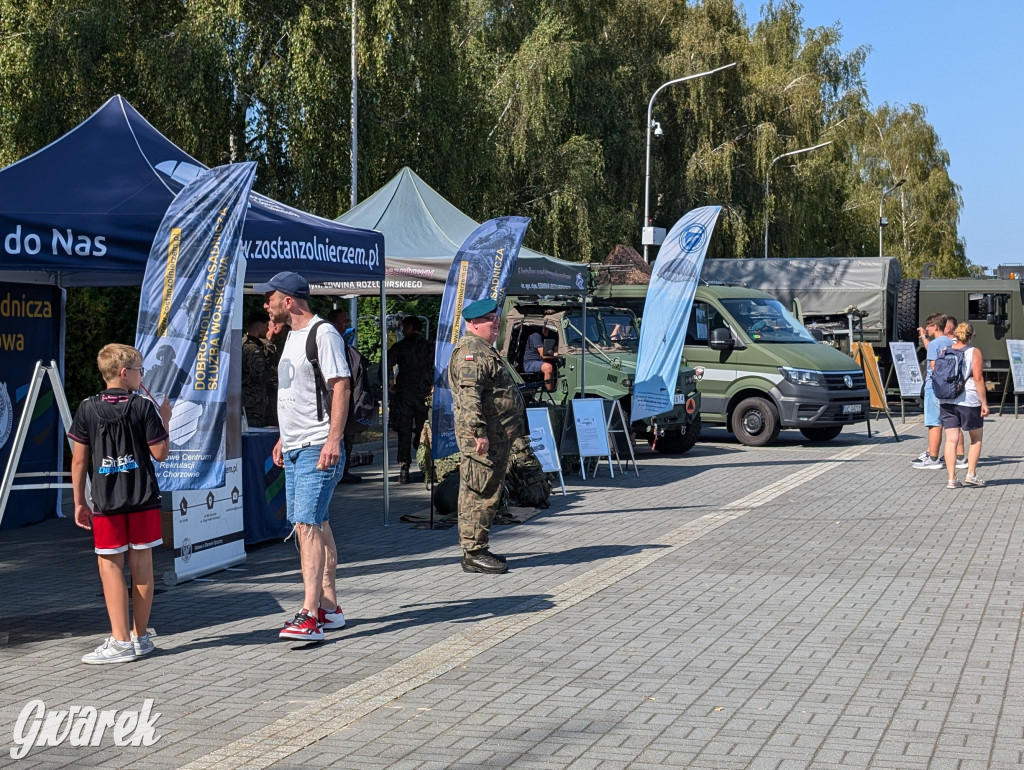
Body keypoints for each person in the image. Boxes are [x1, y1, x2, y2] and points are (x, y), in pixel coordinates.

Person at [257, 271, 351, 642]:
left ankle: (309, 614)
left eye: (271, 298)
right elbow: (295, 394)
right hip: (296, 445)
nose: (266, 304)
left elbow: (339, 385)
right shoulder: (293, 337)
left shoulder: (322, 333)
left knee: (307, 527)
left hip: (317, 445)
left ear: (290, 301)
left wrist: (333, 439)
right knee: (315, 524)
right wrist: (284, 436)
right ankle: (330, 607)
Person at [69, 344, 171, 664]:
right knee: (142, 565)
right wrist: (164, 419)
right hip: (142, 496)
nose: (143, 376)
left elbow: (78, 461)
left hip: (106, 499)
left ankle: (120, 640)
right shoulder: (143, 407)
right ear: (124, 373)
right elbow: (160, 454)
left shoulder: (87, 407)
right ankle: (138, 638)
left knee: (110, 565)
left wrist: (78, 503)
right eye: (140, 370)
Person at [448, 298, 525, 574]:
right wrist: (479, 432)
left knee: (486, 491)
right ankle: (473, 552)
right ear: (473, 323)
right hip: (483, 439)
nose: (496, 322)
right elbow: (470, 397)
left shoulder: (483, 349)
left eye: (496, 317)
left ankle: (478, 547)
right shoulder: (472, 351)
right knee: (478, 493)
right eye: (490, 318)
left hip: (495, 437)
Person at [912, 313, 966, 470]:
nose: (927, 328)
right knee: (953, 423)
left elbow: (934, 368)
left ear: (936, 327)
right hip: (951, 388)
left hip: (934, 387)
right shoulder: (952, 342)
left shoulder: (935, 344)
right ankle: (960, 458)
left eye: (928, 326)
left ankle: (933, 458)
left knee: (933, 423)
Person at [940, 323, 989, 488]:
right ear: (970, 336)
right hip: (968, 399)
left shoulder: (944, 351)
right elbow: (978, 378)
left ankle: (951, 479)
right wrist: (984, 402)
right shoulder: (973, 352)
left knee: (950, 440)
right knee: (976, 438)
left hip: (946, 399)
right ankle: (971, 474)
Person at [387, 315, 434, 483]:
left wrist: (390, 382)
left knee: (404, 431)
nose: (401, 330)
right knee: (424, 431)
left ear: (410, 327)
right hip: (424, 393)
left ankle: (404, 468)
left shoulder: (400, 346)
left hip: (404, 393)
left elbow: (386, 364)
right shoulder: (429, 346)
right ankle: (426, 466)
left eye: (404, 327)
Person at [327, 308, 363, 484]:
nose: (347, 325)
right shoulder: (331, 342)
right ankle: (341, 470)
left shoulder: (342, 342)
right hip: (335, 399)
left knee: (348, 435)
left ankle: (344, 468)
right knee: (343, 434)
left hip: (347, 398)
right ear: (334, 322)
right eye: (343, 321)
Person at [241, 309, 274, 427]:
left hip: (248, 401)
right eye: (266, 325)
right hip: (253, 403)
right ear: (258, 326)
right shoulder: (252, 349)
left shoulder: (242, 343)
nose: (268, 329)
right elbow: (259, 376)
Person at [264, 319, 290, 426]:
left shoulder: (273, 345)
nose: (286, 331)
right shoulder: (262, 346)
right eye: (285, 328)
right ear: (275, 327)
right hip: (263, 398)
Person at [522, 323, 557, 391]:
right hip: (530, 363)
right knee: (548, 368)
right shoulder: (536, 335)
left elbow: (557, 349)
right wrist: (557, 355)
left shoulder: (553, 335)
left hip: (542, 361)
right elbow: (543, 355)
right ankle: (549, 391)